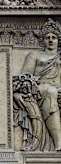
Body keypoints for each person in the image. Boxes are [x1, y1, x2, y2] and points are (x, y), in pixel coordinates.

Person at [14, 19, 61, 151]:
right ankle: (59, 142)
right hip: (40, 89)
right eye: (47, 38)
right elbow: (25, 77)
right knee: (50, 92)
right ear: (42, 40)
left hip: (58, 89)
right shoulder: (34, 55)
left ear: (58, 40)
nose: (51, 40)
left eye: (54, 37)